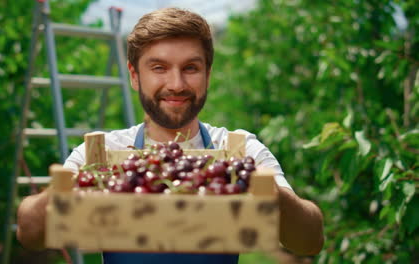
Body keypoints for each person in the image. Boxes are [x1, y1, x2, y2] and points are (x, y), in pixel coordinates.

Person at [17, 7, 324, 264]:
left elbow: (310, 241)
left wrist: (274, 195)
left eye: (191, 68)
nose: (176, 84)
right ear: (135, 76)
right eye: (159, 67)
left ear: (208, 75)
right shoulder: (103, 153)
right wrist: (62, 192)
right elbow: (29, 233)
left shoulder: (237, 150)